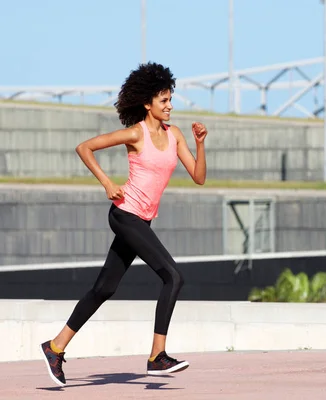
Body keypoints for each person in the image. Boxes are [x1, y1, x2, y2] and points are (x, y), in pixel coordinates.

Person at [40, 62, 208, 387]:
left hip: (141, 220)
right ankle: (157, 357)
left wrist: (200, 142)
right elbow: (84, 147)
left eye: (171, 99)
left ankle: (55, 347)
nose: (170, 105)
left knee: (104, 288)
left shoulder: (174, 135)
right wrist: (106, 182)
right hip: (125, 214)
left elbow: (198, 177)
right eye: (164, 100)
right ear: (148, 103)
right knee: (173, 276)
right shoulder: (136, 133)